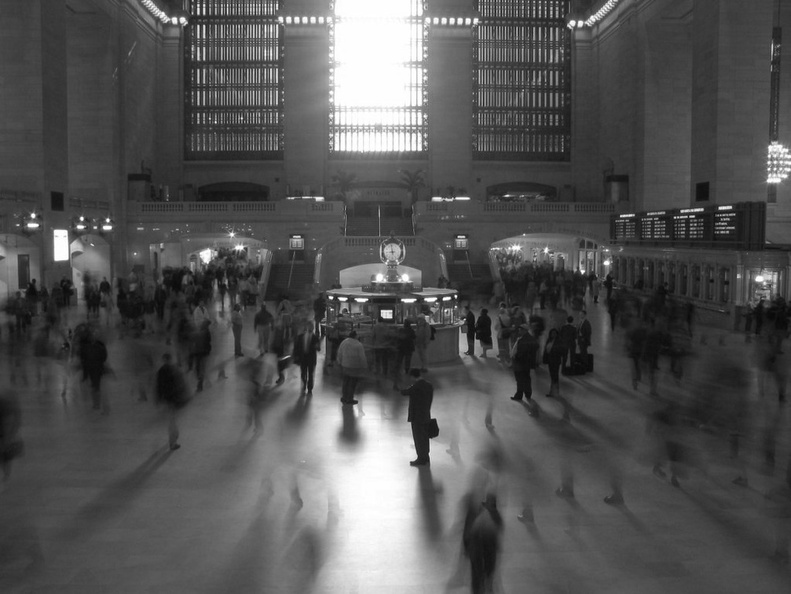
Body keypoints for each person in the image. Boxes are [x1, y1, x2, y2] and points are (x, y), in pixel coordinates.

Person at [155, 353, 190, 451]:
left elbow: (159, 386)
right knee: (173, 421)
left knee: (172, 420)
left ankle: (174, 438)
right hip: (174, 399)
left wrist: (158, 399)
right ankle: (173, 441)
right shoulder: (175, 369)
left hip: (169, 399)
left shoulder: (161, 371)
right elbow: (181, 384)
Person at [400, 368, 433, 466]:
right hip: (426, 415)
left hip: (417, 417)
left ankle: (421, 458)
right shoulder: (429, 385)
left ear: (412, 376)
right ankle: (426, 456)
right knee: (425, 437)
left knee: (418, 439)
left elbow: (404, 392)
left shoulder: (415, 387)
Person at [510, 320, 540, 416]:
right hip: (522, 363)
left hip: (521, 363)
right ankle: (526, 393)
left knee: (521, 378)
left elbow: (526, 350)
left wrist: (518, 356)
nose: (519, 331)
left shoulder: (526, 339)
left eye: (521, 329)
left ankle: (520, 394)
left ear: (525, 330)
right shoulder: (526, 338)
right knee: (525, 378)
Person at [335, 330, 367, 405]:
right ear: (355, 336)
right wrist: (364, 366)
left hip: (345, 365)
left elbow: (339, 352)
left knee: (345, 381)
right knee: (352, 383)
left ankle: (344, 397)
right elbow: (362, 357)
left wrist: (339, 362)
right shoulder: (358, 344)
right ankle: (350, 398)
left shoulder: (344, 342)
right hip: (354, 366)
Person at [292, 320, 320, 395]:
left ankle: (310, 388)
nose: (310, 328)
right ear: (306, 327)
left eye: (312, 326)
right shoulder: (300, 336)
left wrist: (317, 347)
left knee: (311, 374)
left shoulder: (315, 337)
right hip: (303, 358)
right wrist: (295, 356)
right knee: (303, 373)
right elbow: (296, 347)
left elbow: (318, 348)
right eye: (309, 326)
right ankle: (304, 384)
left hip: (311, 358)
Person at [0, 391, 22, 484]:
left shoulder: (7, 410)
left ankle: (5, 475)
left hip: (4, 436)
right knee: (5, 457)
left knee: (5, 456)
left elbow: (10, 424)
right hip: (5, 436)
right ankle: (6, 475)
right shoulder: (12, 410)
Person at [393, 319, 416, 389]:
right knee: (408, 360)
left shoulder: (401, 330)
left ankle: (399, 370)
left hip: (401, 348)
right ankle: (406, 370)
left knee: (399, 360)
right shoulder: (411, 331)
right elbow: (414, 337)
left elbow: (397, 338)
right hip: (409, 348)